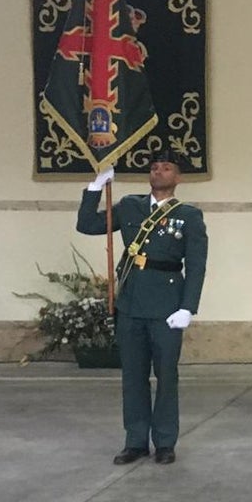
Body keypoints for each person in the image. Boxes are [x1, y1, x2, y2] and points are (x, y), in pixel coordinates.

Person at [77, 149, 208, 466]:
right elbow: (87, 225)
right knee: (133, 377)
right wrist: (96, 187)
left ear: (177, 177)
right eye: (154, 167)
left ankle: (164, 442)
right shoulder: (130, 207)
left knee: (166, 376)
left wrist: (188, 307)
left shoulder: (189, 216)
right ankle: (135, 441)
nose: (158, 172)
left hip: (167, 306)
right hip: (132, 303)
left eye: (166, 168)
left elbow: (196, 265)